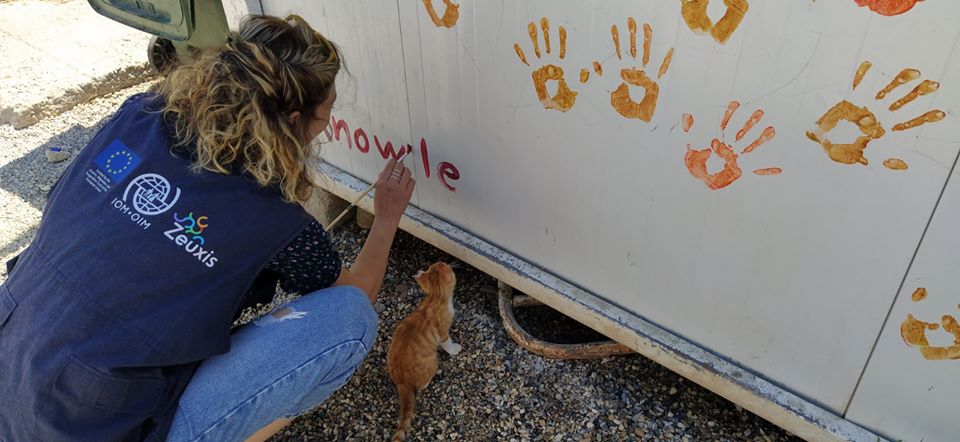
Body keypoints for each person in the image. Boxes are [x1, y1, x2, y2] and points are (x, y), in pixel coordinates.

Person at [0, 14, 413, 441]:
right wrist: (385, 219)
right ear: (294, 121)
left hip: (11, 354)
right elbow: (355, 292)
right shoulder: (274, 222)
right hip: (89, 426)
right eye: (326, 114)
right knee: (350, 320)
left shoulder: (136, 117)